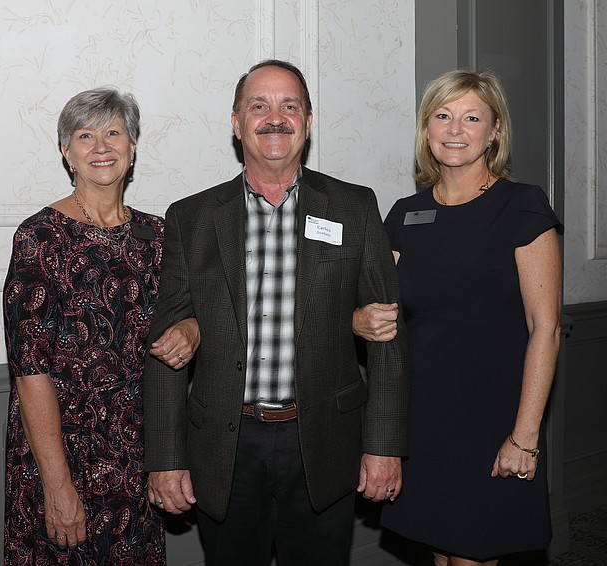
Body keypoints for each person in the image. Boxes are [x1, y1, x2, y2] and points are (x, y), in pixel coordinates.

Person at [143, 59, 409, 566]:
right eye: (258, 106)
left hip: (324, 444)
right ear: (236, 122)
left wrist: (383, 445)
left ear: (308, 123)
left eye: (290, 106)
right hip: (225, 447)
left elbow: (387, 338)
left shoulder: (353, 207)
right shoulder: (192, 218)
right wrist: (166, 458)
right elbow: (167, 346)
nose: (275, 118)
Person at [355, 70, 563, 566]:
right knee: (441, 555)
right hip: (424, 416)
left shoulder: (522, 206)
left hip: (493, 416)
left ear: (494, 132)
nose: (455, 129)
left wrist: (525, 437)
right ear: (427, 129)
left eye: (472, 118)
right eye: (442, 116)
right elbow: (379, 310)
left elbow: (546, 330)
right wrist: (357, 320)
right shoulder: (405, 214)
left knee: (472, 555)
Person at [2, 86, 200, 565]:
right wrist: (58, 485)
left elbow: (192, 312)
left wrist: (192, 329)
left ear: (132, 148)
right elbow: (29, 372)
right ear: (66, 152)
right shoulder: (39, 237)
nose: (101, 146)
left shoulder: (160, 235)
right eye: (84, 135)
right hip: (61, 455)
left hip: (137, 453)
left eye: (114, 132)